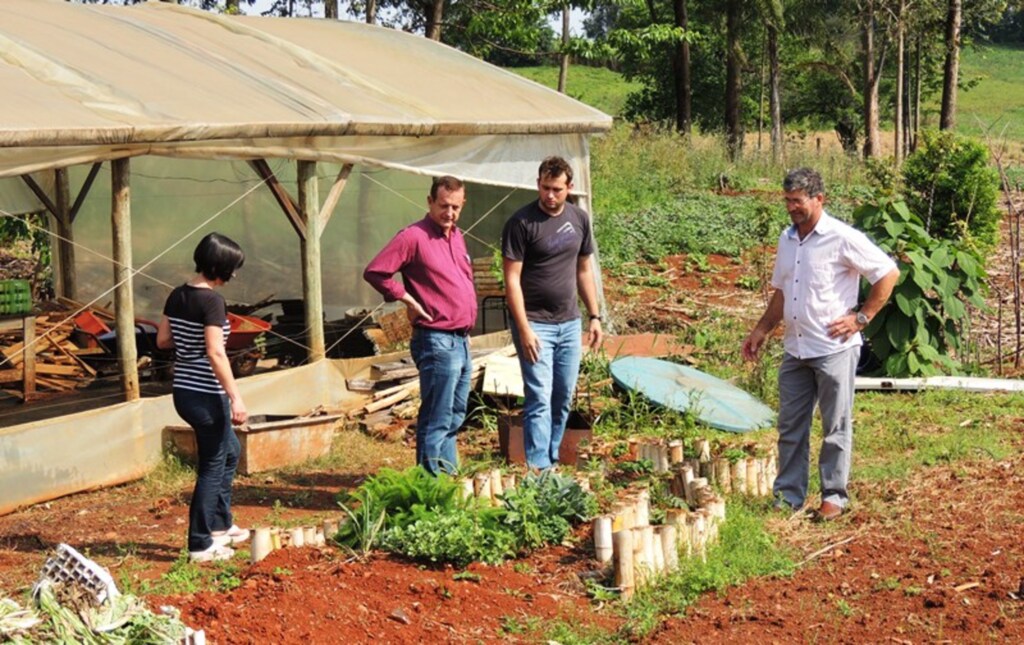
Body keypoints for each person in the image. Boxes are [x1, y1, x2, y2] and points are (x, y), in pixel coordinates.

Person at [742, 168, 899, 521]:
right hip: (796, 350)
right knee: (790, 427)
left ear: (818, 199)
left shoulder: (842, 237)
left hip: (834, 349)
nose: (792, 208)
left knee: (835, 426)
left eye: (798, 201)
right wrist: (762, 329)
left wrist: (861, 317)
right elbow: (782, 291)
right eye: (787, 201)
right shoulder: (787, 239)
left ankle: (833, 496)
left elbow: (887, 272)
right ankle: (788, 497)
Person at [364, 176, 476, 476]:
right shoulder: (413, 237)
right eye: (443, 206)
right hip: (436, 338)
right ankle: (429, 484)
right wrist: (407, 299)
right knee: (437, 416)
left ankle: (448, 477)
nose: (449, 213)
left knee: (455, 414)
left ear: (462, 205)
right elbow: (376, 272)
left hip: (462, 339)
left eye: (455, 207)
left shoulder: (457, 236)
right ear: (429, 202)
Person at [502, 156, 603, 472]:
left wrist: (595, 316)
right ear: (537, 184)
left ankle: (552, 458)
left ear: (569, 187)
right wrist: (524, 328)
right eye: (545, 188)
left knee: (561, 398)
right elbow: (511, 280)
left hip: (569, 323)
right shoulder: (521, 223)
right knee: (539, 397)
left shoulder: (579, 219)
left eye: (557, 189)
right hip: (535, 324)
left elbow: (584, 269)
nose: (549, 195)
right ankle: (538, 468)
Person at [157, 232, 250, 562]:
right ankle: (200, 543)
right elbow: (216, 352)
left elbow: (163, 340)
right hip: (207, 393)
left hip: (183, 390)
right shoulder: (211, 301)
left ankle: (220, 525)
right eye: (232, 268)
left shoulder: (177, 295)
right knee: (212, 465)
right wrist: (236, 397)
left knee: (230, 451)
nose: (234, 275)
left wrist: (189, 344)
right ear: (221, 267)